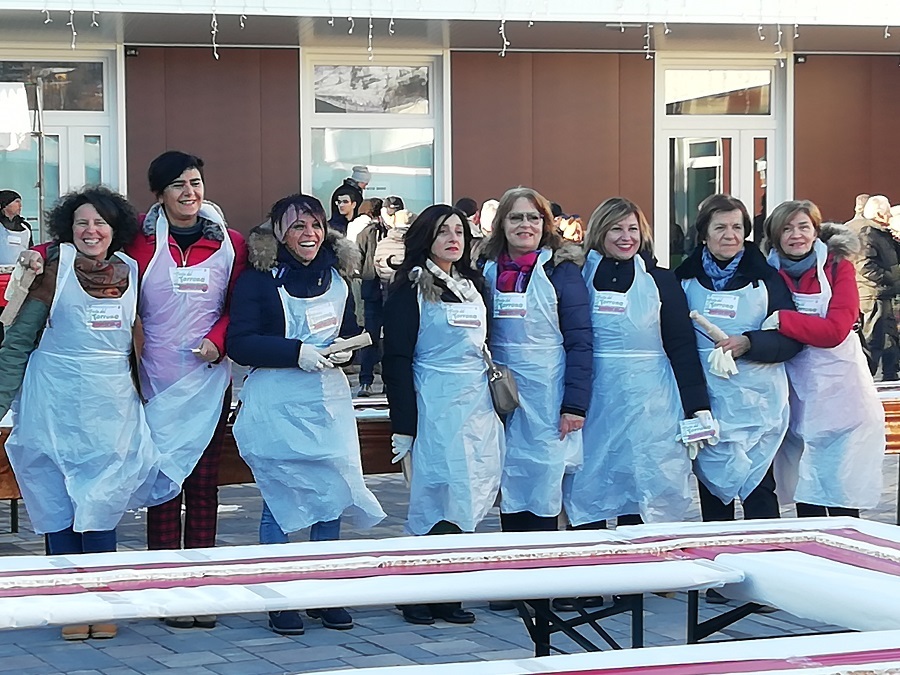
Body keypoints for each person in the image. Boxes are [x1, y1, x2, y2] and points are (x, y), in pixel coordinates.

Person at [0, 187, 177, 641]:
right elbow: (18, 341)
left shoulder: (132, 271)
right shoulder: (51, 270)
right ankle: (67, 605)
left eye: (99, 222)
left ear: (114, 230)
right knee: (56, 499)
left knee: (103, 500)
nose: (91, 230)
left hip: (110, 404)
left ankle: (103, 601)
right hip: (53, 400)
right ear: (68, 229)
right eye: (81, 222)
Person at [228, 193, 385, 635]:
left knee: (330, 494)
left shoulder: (336, 276)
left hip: (326, 400)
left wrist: (346, 349)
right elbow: (240, 343)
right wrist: (296, 352)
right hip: (277, 400)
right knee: (281, 498)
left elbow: (350, 330)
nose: (308, 234)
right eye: (297, 226)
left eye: (315, 225)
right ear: (279, 233)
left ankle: (322, 591)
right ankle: (279, 596)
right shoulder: (258, 280)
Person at [127, 150, 248, 630]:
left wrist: (219, 342)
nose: (190, 193)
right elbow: (84, 238)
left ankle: (200, 586)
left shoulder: (231, 243)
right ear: (159, 194)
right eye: (177, 185)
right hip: (155, 380)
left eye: (195, 182)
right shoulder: (136, 240)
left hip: (207, 380)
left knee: (202, 485)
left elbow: (240, 306)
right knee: (162, 484)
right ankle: (163, 586)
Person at [382, 204, 504, 627]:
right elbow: (395, 359)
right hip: (433, 401)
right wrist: (403, 425)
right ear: (424, 239)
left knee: (467, 493)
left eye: (459, 231)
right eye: (442, 232)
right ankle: (416, 590)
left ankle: (448, 587)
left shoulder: (474, 284)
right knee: (434, 496)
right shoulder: (408, 289)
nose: (453, 238)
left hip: (475, 404)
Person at [564, 197, 712, 530]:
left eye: (632, 228)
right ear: (600, 231)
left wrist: (697, 405)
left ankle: (648, 574)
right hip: (595, 399)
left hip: (651, 402)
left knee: (646, 484)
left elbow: (681, 345)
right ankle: (593, 575)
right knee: (590, 483)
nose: (625, 237)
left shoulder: (661, 280)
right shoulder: (576, 278)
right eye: (616, 228)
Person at [674, 194, 801, 532]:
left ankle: (767, 567)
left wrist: (750, 342)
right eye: (720, 227)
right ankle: (718, 578)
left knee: (760, 491)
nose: (730, 235)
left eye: (737, 227)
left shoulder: (767, 278)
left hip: (758, 404)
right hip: (707, 403)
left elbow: (791, 338)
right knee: (715, 494)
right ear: (704, 234)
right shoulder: (682, 280)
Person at [479, 187, 591, 535]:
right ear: (502, 224)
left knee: (544, 481)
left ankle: (542, 577)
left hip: (549, 393)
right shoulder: (484, 270)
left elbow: (580, 341)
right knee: (508, 476)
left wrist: (574, 404)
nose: (524, 225)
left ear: (546, 224)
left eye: (533, 217)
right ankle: (514, 574)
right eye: (516, 217)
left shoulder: (561, 270)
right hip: (500, 393)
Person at [763, 201, 884, 517]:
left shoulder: (837, 267)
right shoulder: (768, 273)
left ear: (816, 231)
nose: (796, 235)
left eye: (803, 227)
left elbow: (835, 331)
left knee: (841, 486)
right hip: (796, 391)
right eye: (786, 229)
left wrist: (784, 321)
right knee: (806, 487)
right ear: (775, 237)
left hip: (842, 391)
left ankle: (847, 555)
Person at [854, 195, 900, 381]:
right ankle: (866, 380)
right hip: (873, 294)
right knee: (873, 340)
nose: (890, 215)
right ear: (880, 213)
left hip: (883, 293)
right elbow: (864, 265)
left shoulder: (882, 233)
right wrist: (889, 279)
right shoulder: (867, 232)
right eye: (888, 211)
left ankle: (890, 376)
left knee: (889, 338)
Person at [357, 197, 387, 397]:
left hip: (395, 294)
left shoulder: (404, 235)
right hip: (373, 291)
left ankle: (388, 381)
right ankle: (365, 381)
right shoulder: (368, 233)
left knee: (393, 339)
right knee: (370, 336)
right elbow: (357, 258)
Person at [0, 189, 33, 306]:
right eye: (17, 202)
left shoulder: (26, 227)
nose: (20, 205)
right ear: (5, 205)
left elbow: (31, 250)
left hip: (19, 276)